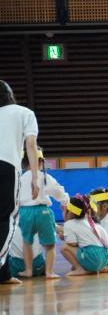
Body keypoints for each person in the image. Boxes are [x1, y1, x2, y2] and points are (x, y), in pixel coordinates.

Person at [0, 80, 40, 285]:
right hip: (7, 167)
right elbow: (31, 145)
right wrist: (34, 177)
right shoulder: (25, 113)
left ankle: (4, 274)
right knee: (7, 219)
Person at [18, 147, 69, 279]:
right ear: (41, 162)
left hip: (25, 212)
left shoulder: (20, 178)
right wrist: (65, 201)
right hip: (43, 211)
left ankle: (28, 271)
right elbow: (58, 192)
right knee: (50, 245)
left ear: (24, 163)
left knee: (27, 242)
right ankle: (49, 272)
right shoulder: (44, 176)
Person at [60, 195, 108, 276]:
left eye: (64, 210)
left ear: (70, 212)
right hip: (105, 258)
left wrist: (64, 237)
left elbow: (73, 243)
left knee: (64, 247)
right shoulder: (89, 222)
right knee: (82, 247)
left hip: (93, 257)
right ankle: (96, 268)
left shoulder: (68, 224)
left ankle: (79, 269)